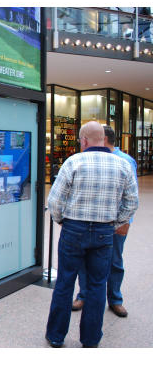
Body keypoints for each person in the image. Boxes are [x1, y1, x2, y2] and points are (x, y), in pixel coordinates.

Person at [45, 121, 138, 348]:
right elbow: (131, 203)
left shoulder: (73, 162)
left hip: (73, 230)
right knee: (98, 285)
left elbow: (54, 202)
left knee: (65, 282)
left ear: (84, 140)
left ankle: (56, 336)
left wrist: (63, 221)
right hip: (104, 232)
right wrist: (114, 224)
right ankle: (90, 340)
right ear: (104, 139)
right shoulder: (123, 165)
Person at [72, 126, 138, 317]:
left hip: (114, 224)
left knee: (114, 261)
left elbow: (130, 197)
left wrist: (124, 223)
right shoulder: (86, 159)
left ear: (104, 139)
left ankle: (115, 299)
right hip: (88, 222)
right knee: (85, 261)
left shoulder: (125, 161)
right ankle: (83, 295)